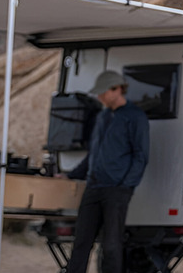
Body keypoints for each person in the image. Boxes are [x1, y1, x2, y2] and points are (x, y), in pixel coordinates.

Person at [62, 70, 150, 273]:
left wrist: (126, 186)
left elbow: (141, 155)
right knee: (81, 242)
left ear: (117, 89)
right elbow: (93, 153)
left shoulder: (135, 117)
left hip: (116, 190)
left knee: (111, 245)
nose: (99, 97)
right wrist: (71, 175)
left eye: (103, 92)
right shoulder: (102, 117)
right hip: (93, 186)